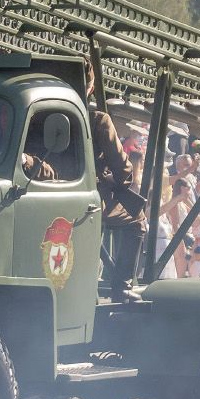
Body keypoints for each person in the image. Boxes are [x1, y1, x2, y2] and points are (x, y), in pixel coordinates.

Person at [83, 61, 148, 301]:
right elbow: (124, 168)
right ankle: (121, 286)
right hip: (92, 196)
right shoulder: (98, 120)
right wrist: (116, 183)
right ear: (90, 87)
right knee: (137, 219)